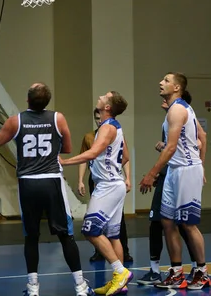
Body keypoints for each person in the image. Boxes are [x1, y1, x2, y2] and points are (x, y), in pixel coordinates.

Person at [0, 82, 92, 296]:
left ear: (28, 100)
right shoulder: (58, 118)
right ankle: (80, 286)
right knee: (65, 235)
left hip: (28, 182)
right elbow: (67, 148)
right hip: (51, 181)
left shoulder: (16, 121)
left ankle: (33, 288)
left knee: (31, 236)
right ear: (47, 101)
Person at [139, 72, 211, 290]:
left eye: (167, 80)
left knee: (188, 225)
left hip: (186, 170)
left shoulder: (179, 109)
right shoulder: (172, 110)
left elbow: (171, 147)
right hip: (174, 171)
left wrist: (151, 174)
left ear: (177, 87)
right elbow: (200, 138)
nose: (161, 83)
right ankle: (177, 272)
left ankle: (202, 272)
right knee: (167, 222)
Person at [61, 91, 133, 295]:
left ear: (108, 107)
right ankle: (120, 282)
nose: (100, 96)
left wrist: (65, 161)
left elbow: (92, 153)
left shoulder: (107, 127)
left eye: (105, 96)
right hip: (114, 183)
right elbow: (125, 156)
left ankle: (120, 272)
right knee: (113, 235)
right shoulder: (115, 127)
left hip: (108, 185)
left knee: (90, 230)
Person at [77, 109, 133, 264]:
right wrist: (81, 179)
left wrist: (125, 176)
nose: (98, 120)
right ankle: (118, 273)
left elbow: (125, 157)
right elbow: (85, 159)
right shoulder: (90, 136)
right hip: (102, 181)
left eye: (99, 116)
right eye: (95, 118)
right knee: (107, 231)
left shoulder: (112, 132)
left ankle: (121, 267)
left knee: (94, 228)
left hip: (109, 183)